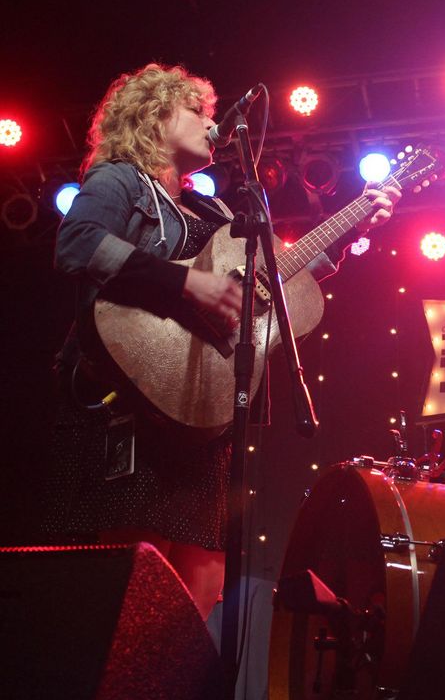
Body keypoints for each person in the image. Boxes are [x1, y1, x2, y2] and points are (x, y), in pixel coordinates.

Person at [41, 63, 400, 619]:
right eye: (199, 112)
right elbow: (78, 244)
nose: (212, 126)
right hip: (130, 400)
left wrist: (354, 230)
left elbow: (270, 287)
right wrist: (187, 282)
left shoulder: (215, 209)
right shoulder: (119, 181)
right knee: (133, 585)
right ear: (155, 115)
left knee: (200, 584)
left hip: (201, 410)